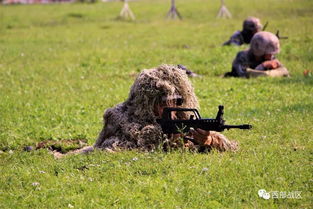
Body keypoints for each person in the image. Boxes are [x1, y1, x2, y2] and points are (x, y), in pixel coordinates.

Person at [94, 64, 238, 152]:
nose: (170, 108)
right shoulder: (125, 119)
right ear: (148, 103)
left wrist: (208, 141)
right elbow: (112, 148)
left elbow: (228, 147)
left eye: (176, 101)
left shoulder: (183, 118)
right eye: (163, 103)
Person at [224, 31, 290, 78]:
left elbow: (284, 71)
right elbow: (242, 75)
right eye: (268, 53)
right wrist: (263, 66)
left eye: (272, 53)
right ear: (258, 50)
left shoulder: (270, 57)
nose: (271, 56)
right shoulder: (243, 56)